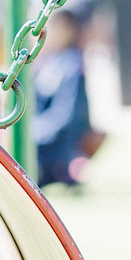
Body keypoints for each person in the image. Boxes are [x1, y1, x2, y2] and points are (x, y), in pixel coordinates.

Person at [31, 10, 94, 188]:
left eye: (59, 28)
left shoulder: (72, 64)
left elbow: (67, 113)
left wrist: (36, 130)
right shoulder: (47, 62)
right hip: (42, 129)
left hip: (58, 140)